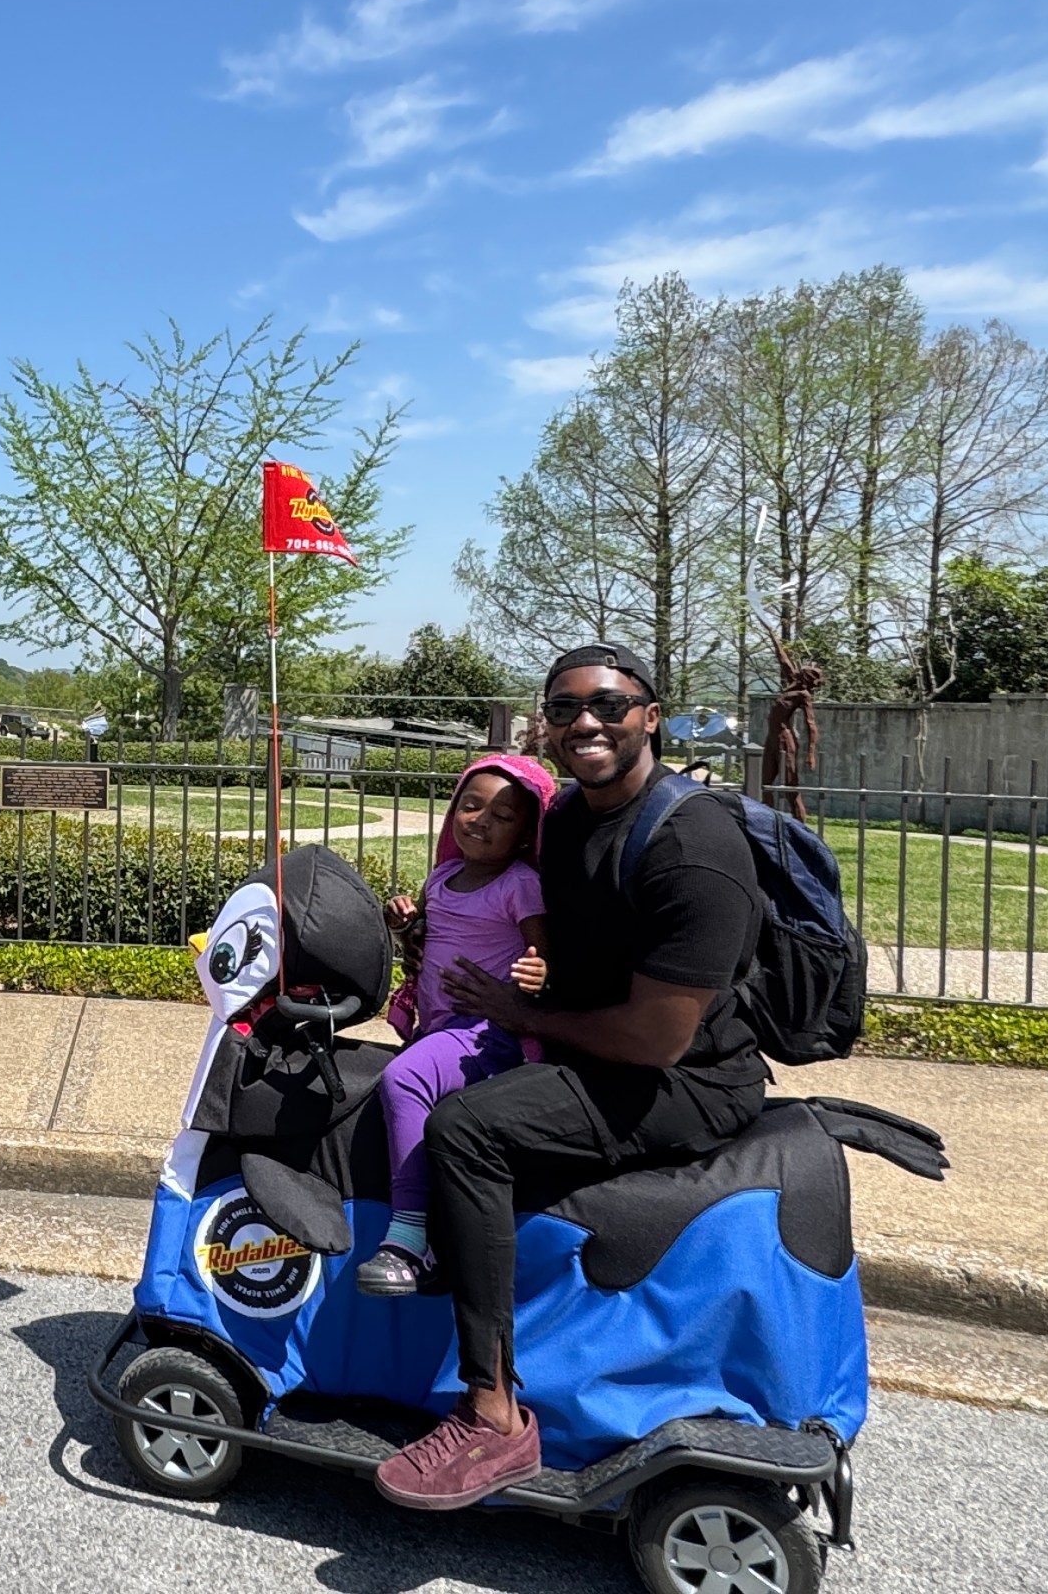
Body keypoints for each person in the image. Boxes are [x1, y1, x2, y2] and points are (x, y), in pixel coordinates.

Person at [370, 642, 767, 1511]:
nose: (586, 722)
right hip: (585, 1042)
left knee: (467, 1130)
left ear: (650, 716)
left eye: (610, 705)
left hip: (685, 1078)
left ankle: (493, 1416)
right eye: (563, 709)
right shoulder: (574, 820)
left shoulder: (694, 843)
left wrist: (527, 1020)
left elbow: (659, 1038)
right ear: (545, 726)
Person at [354, 754, 554, 1298]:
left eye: (503, 815)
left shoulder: (520, 884)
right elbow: (430, 937)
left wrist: (538, 971)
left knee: (404, 1081)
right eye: (470, 805)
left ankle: (406, 1236)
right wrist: (406, 920)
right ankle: (446, 1240)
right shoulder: (442, 876)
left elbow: (546, 952)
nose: (481, 819)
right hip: (442, 1029)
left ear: (524, 835)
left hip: (486, 1035)